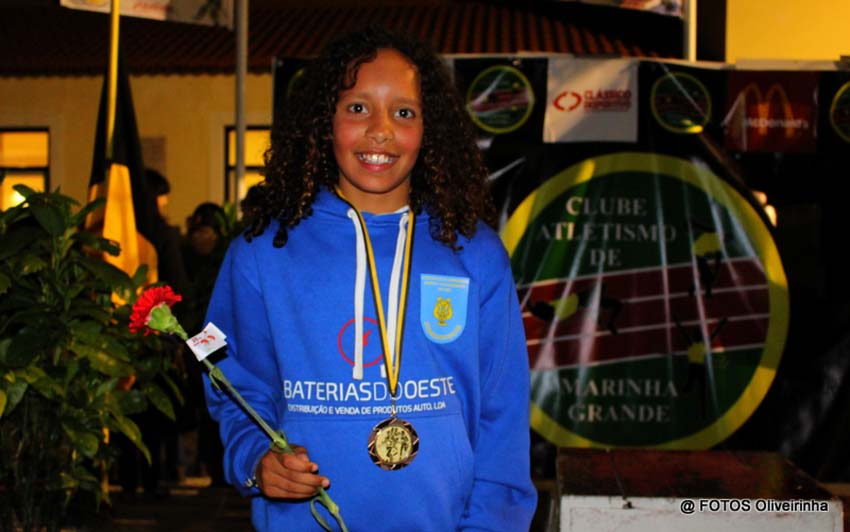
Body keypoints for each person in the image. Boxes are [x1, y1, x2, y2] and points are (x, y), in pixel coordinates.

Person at [204, 25, 537, 531]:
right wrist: (255, 459)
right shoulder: (262, 252)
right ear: (325, 121)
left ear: (429, 128)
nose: (380, 131)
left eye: (404, 113)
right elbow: (235, 384)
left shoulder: (474, 253)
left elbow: (503, 415)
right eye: (358, 108)